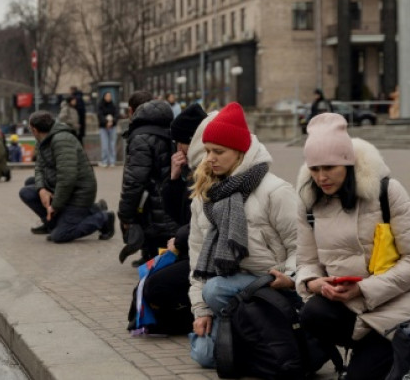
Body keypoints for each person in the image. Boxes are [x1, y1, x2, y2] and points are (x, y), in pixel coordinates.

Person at [294, 113, 410, 380]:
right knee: (312, 313)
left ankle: (388, 348)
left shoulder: (386, 192)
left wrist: (362, 288)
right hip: (349, 308)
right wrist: (314, 283)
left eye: (330, 167)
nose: (321, 177)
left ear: (347, 163)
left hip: (396, 303)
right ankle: (367, 350)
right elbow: (306, 262)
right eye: (314, 169)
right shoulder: (308, 202)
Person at [187, 102, 300, 369]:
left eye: (218, 151)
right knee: (205, 355)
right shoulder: (205, 197)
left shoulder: (275, 191)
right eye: (207, 151)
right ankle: (244, 336)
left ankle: (256, 338)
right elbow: (196, 262)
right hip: (229, 292)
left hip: (273, 284)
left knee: (215, 289)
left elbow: (303, 247)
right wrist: (200, 311)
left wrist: (290, 278)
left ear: (240, 152)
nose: (210, 158)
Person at [130, 103, 209, 335]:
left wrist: (181, 238)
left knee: (156, 287)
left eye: (180, 142)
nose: (177, 148)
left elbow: (202, 220)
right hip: (190, 247)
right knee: (144, 287)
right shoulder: (190, 168)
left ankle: (188, 321)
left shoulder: (207, 168)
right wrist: (174, 179)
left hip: (201, 254)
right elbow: (179, 215)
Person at [18, 111, 115, 243]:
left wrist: (55, 206)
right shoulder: (43, 139)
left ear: (34, 129)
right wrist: (41, 189)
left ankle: (103, 218)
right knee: (28, 188)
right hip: (63, 187)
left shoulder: (61, 140)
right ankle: (51, 222)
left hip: (79, 193)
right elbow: (39, 167)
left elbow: (67, 178)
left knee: (60, 236)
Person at [118, 95, 178, 267]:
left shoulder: (140, 137)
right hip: (168, 199)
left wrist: (125, 215)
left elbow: (134, 180)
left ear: (132, 111)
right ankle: (153, 258)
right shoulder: (170, 130)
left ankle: (154, 262)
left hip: (151, 203)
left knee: (155, 238)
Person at [97, 91, 119, 167]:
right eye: (107, 96)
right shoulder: (100, 105)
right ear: (104, 97)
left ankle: (112, 161)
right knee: (104, 145)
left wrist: (112, 122)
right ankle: (105, 161)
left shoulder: (113, 105)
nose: (109, 97)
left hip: (112, 127)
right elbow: (99, 115)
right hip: (103, 127)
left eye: (110, 96)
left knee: (112, 145)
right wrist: (106, 122)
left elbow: (116, 114)